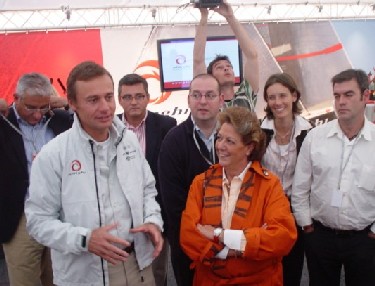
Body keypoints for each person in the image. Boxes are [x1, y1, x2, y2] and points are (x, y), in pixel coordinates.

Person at [25, 61, 164, 286]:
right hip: (86, 273)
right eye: (93, 100)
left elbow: (147, 190)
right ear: (72, 103)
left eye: (108, 97)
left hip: (138, 264)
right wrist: (84, 239)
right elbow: (38, 222)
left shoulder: (128, 140)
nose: (105, 107)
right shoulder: (53, 154)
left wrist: (152, 221)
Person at [180, 106, 297, 285]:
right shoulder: (200, 182)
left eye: (230, 141)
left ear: (249, 148)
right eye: (219, 138)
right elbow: (188, 235)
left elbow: (282, 237)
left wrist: (220, 235)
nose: (220, 146)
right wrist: (239, 248)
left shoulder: (269, 185)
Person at [292, 68, 375, 286]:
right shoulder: (315, 137)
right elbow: (300, 187)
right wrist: (306, 225)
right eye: (337, 96)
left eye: (348, 95)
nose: (341, 102)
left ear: (365, 96)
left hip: (364, 239)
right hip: (320, 236)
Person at [0, 72, 72, 286]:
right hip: (20, 213)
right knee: (25, 278)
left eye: (43, 107)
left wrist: (68, 104)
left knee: (59, 274)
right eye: (31, 107)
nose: (38, 115)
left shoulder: (60, 119)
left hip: (59, 211)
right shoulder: (4, 123)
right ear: (16, 98)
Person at [158, 74, 224, 286]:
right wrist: (202, 239)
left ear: (221, 99)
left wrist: (227, 236)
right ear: (188, 100)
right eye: (196, 95)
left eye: (209, 95)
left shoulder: (234, 136)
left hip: (231, 240)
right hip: (190, 246)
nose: (202, 101)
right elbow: (174, 207)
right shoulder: (173, 141)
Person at [117, 73, 176, 286]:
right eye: (128, 97)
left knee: (157, 271)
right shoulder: (109, 127)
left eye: (139, 96)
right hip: (120, 213)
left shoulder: (167, 125)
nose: (134, 101)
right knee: (123, 272)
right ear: (119, 100)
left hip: (157, 211)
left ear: (148, 97)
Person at [261, 73, 312, 286]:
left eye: (282, 95)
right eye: (271, 97)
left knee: (292, 269)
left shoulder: (310, 133)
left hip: (296, 211)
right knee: (264, 268)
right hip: (265, 210)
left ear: (294, 96)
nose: (277, 102)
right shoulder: (259, 133)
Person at [193, 0, 259, 110]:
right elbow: (198, 61)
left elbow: (252, 56)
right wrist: (204, 18)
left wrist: (230, 17)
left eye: (229, 66)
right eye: (219, 67)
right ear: (211, 77)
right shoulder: (207, 103)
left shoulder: (246, 95)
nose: (226, 69)